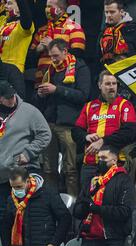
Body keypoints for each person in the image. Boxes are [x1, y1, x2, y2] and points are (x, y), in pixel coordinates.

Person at [73, 145, 136, 246]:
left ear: (114, 160)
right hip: (88, 241)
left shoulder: (124, 180)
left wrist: (96, 208)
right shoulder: (92, 180)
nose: (99, 161)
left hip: (112, 242)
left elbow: (124, 211)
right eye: (98, 158)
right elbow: (78, 210)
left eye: (103, 158)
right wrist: (88, 202)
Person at [36, 38, 90, 197]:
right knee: (48, 169)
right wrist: (40, 94)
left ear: (65, 51)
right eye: (51, 56)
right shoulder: (50, 70)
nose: (53, 59)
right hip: (49, 124)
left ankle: (73, 204)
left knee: (70, 169)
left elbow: (83, 96)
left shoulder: (80, 68)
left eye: (56, 55)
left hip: (69, 125)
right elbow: (42, 98)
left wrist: (56, 89)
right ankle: (51, 202)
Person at [0, 81, 51, 244]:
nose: (12, 99)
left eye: (12, 95)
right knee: (4, 216)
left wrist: (28, 153)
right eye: (7, 98)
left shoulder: (29, 111)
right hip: (1, 176)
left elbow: (45, 134)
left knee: (25, 214)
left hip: (22, 171)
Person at [72, 70, 136, 189]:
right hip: (90, 164)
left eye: (114, 83)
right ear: (99, 85)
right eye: (107, 84)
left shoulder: (125, 105)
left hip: (114, 163)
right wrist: (86, 136)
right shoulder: (89, 106)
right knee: (86, 200)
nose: (111, 87)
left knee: (110, 201)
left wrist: (102, 141)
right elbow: (75, 131)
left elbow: (129, 133)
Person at [29, 0, 86, 86]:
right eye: (46, 7)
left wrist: (52, 46)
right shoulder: (42, 30)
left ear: (60, 10)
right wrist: (37, 49)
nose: (46, 9)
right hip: (40, 79)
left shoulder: (74, 27)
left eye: (49, 7)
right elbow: (29, 59)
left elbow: (78, 54)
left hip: (61, 79)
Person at [99, 0, 136, 66]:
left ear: (121, 12)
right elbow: (99, 59)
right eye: (106, 12)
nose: (108, 15)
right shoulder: (103, 33)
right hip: (109, 73)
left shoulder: (133, 30)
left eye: (112, 12)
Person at [0, 0, 34, 98]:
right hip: (0, 68)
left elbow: (26, 18)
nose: (6, 6)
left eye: (10, 3)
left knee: (14, 106)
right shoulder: (3, 22)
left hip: (13, 71)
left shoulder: (23, 27)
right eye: (5, 3)